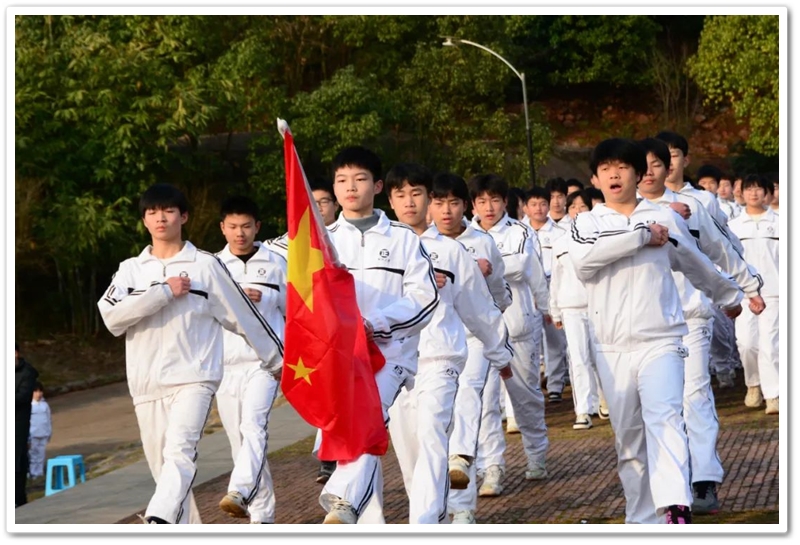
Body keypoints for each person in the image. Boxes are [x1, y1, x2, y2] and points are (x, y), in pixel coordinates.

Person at [570, 138, 744, 524]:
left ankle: (675, 505)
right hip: (611, 346)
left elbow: (695, 262)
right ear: (595, 179)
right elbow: (584, 262)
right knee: (630, 441)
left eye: (623, 167)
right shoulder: (587, 222)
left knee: (665, 418)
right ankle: (642, 521)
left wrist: (729, 295)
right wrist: (640, 237)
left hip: (662, 338)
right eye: (606, 169)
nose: (615, 175)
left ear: (638, 174)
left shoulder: (665, 217)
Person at [97, 183, 284, 524]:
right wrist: (161, 292)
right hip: (146, 384)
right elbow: (111, 318)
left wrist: (277, 361)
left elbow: (243, 316)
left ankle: (158, 518)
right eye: (152, 212)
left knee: (179, 451)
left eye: (168, 211)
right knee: (163, 469)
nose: (160, 218)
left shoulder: (205, 266)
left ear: (183, 217)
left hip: (194, 378)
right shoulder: (131, 270)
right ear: (144, 220)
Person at [637, 137, 765, 515]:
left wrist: (747, 288)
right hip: (646, 322)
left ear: (673, 164)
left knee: (694, 395)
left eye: (659, 163)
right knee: (661, 405)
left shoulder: (698, 204)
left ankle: (704, 478)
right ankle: (668, 485)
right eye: (642, 165)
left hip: (691, 315)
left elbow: (723, 248)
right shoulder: (622, 213)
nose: (650, 172)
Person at [384, 163, 513, 524]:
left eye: (417, 194)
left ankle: (452, 513)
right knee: (411, 455)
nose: (410, 202)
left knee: (435, 438)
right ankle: (434, 519)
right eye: (400, 195)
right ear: (389, 200)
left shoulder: (453, 251)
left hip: (441, 357)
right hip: (393, 362)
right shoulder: (383, 248)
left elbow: (480, 307)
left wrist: (499, 353)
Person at [319, 146, 439, 524]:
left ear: (377, 186)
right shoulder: (321, 242)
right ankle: (365, 521)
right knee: (358, 430)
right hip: (340, 357)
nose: (350, 187)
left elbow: (425, 298)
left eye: (360, 179)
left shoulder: (403, 239)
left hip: (390, 353)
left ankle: (342, 496)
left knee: (367, 417)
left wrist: (379, 324)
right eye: (342, 180)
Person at [426, 172, 513, 523]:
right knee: (438, 423)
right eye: (439, 203)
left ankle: (467, 492)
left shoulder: (482, 241)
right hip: (436, 341)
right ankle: (439, 504)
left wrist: (495, 333)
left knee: (472, 398)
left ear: (465, 206)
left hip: (475, 337)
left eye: (453, 203)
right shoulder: (418, 244)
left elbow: (500, 291)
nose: (446, 211)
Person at [468, 173, 550, 496]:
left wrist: (547, 307)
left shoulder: (520, 232)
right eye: (482, 201)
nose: (488, 207)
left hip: (518, 328)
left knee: (525, 397)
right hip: (479, 334)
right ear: (473, 204)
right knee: (485, 403)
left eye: (495, 200)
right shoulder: (464, 234)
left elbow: (526, 269)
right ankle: (492, 468)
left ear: (505, 202)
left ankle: (536, 453)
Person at [263, 178, 340, 484]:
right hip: (300, 331)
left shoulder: (344, 240)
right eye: (311, 203)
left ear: (335, 205)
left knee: (335, 390)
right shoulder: (275, 248)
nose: (317, 208)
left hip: (338, 328)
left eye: (323, 202)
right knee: (318, 392)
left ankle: (330, 455)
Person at [215, 196, 286, 524]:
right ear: (222, 228)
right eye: (232, 226)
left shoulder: (276, 262)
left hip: (265, 363)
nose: (239, 233)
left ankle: (240, 490)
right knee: (239, 441)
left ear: (257, 227)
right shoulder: (213, 266)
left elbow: (295, 308)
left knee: (253, 426)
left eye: (245, 226)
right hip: (226, 366)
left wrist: (266, 296)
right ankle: (262, 515)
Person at [550, 190, 607, 430]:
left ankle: (605, 399)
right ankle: (583, 410)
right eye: (573, 207)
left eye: (583, 206)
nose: (577, 211)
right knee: (578, 358)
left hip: (597, 305)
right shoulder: (560, 242)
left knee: (601, 355)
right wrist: (555, 310)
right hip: (571, 307)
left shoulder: (601, 238)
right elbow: (556, 279)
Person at [728, 175, 780, 415]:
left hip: (774, 291)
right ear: (742, 192)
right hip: (744, 293)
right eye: (749, 189)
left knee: (770, 344)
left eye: (759, 188)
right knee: (747, 343)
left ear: (767, 193)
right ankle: (753, 384)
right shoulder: (734, 226)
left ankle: (773, 394)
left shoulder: (779, 223)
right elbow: (726, 260)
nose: (754, 193)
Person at [522, 186, 569, 405]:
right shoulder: (519, 232)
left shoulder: (559, 233)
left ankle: (555, 385)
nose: (539, 209)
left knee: (555, 339)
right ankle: (531, 386)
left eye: (543, 204)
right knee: (530, 341)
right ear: (525, 207)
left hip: (552, 286)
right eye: (534, 204)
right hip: (527, 290)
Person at [15, 342, 38, 507]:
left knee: (16, 460)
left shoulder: (27, 373)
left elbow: (22, 397)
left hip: (18, 423)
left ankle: (18, 498)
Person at [28, 381, 52, 479]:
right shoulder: (29, 405)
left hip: (43, 433)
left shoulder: (44, 405)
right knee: (33, 455)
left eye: (40, 391)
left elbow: (48, 419)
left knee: (41, 455)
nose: (38, 394)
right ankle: (33, 473)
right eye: (36, 391)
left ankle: (40, 472)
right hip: (32, 434)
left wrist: (49, 432)